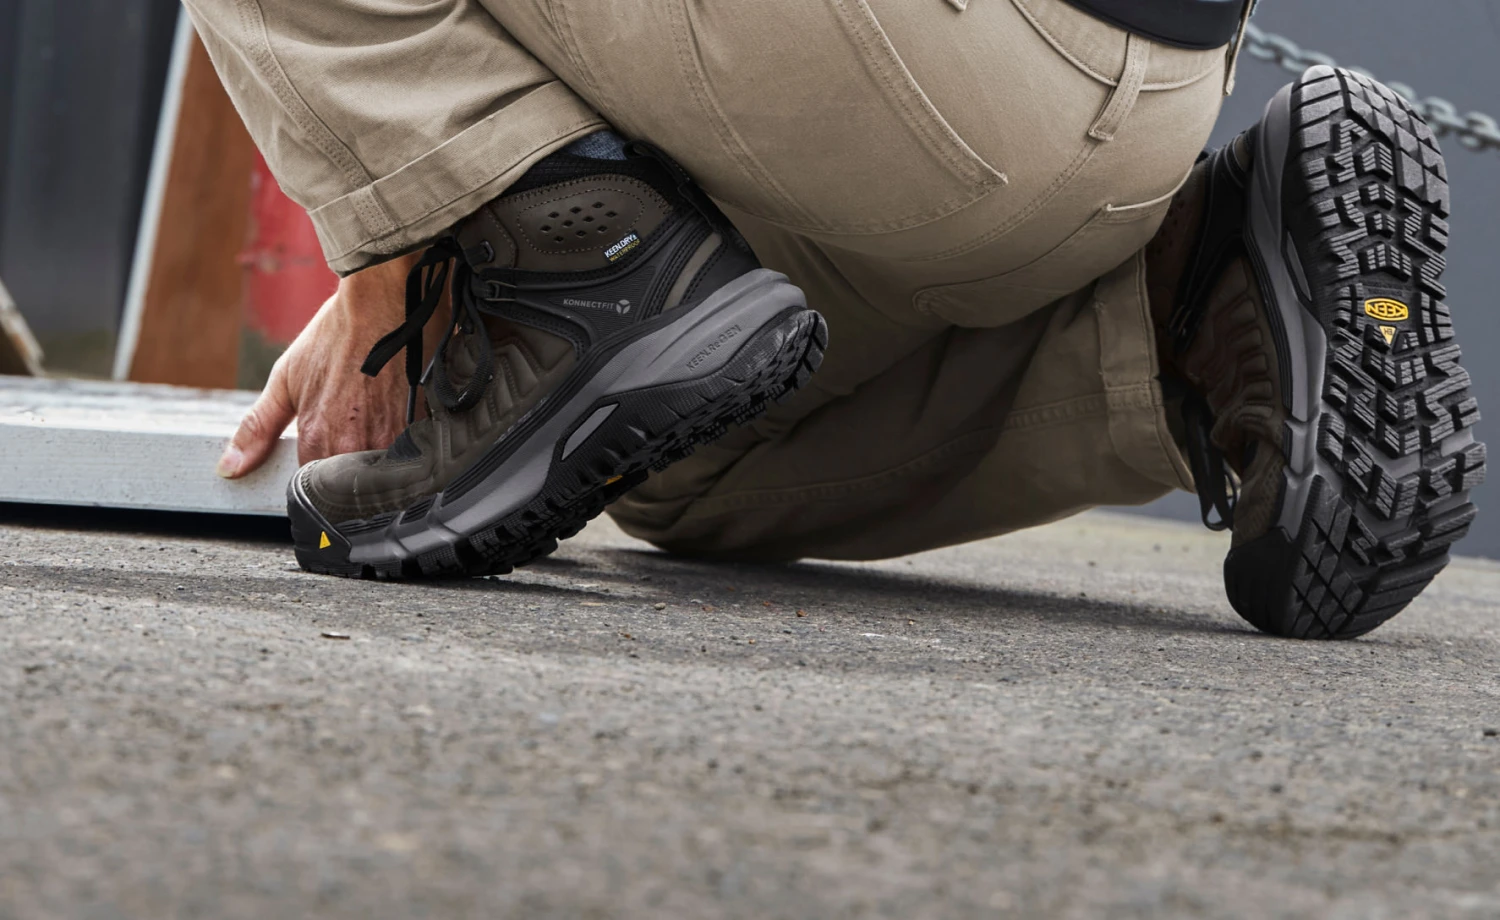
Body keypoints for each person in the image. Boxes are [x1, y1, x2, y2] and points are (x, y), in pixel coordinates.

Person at [189, 0, 1483, 640]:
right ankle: (1190, 321)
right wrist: (458, 208)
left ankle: (590, 264)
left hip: (900, 61)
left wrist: (402, 244)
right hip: (1130, 114)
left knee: (622, 337)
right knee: (674, 463)